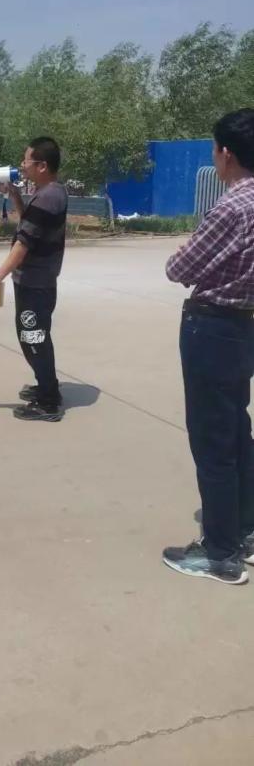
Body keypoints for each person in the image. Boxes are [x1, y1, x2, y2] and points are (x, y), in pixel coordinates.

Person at [162, 108, 254, 585]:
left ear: (227, 154)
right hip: (243, 327)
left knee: (213, 440)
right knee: (236, 429)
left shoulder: (231, 207)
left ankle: (220, 552)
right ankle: (246, 527)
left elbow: (178, 269)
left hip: (212, 327)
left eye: (215, 150)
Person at [0, 137, 68, 422]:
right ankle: (46, 385)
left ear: (42, 166)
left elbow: (24, 243)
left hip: (35, 282)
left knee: (33, 337)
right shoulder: (50, 193)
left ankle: (49, 402)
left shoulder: (47, 197)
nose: (22, 165)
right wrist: (17, 198)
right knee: (34, 335)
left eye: (27, 160)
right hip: (37, 281)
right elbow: (30, 225)